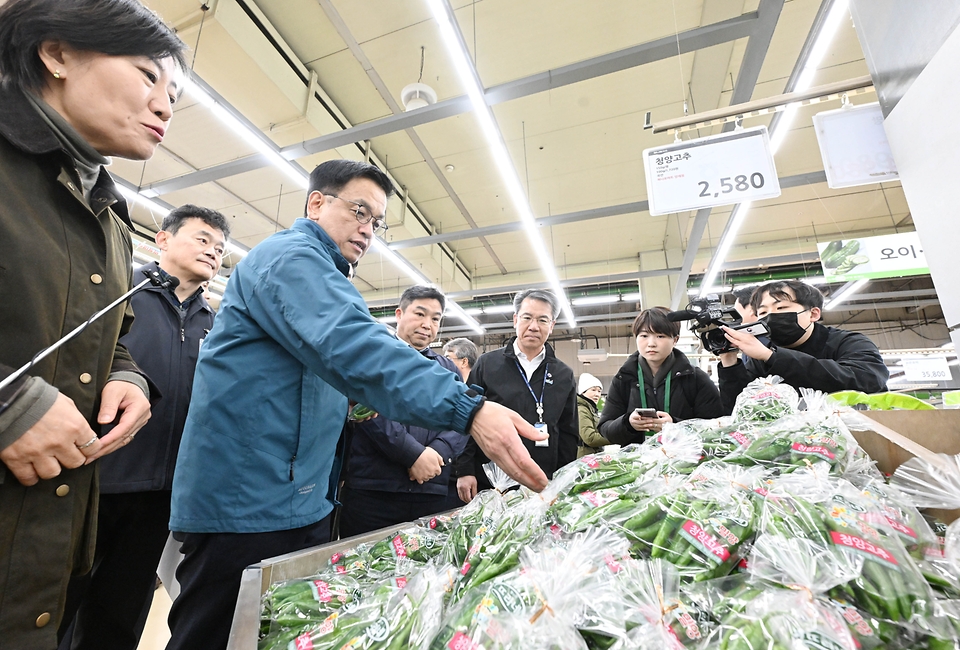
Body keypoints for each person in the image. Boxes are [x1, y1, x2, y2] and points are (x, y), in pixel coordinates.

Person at [166, 159, 547, 650]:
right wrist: (468, 409)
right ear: (317, 203)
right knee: (218, 635)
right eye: (359, 211)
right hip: (247, 500)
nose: (368, 230)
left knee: (273, 635)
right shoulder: (289, 259)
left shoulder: (329, 277)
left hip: (296, 497)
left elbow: (347, 387)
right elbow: (353, 347)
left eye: (377, 222)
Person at [0, 2, 185, 647]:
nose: (165, 105)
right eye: (146, 76)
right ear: (56, 54)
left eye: (174, 93)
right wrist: (10, 405)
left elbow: (110, 327)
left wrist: (127, 377)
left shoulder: (106, 210)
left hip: (45, 546)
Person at [59, 206, 229, 650]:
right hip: (94, 473)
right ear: (163, 239)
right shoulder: (120, 292)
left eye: (220, 248)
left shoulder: (214, 324)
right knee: (59, 603)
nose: (213, 251)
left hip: (162, 491)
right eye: (203, 239)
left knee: (122, 608)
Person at [339, 286, 469, 537]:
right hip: (375, 490)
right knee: (363, 567)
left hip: (430, 490)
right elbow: (367, 411)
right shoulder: (373, 357)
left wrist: (436, 452)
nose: (427, 324)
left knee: (427, 568)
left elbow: (462, 419)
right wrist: (413, 455)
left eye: (435, 318)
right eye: (419, 314)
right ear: (399, 314)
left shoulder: (447, 370)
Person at [455, 289, 579, 503]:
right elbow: (466, 416)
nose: (533, 326)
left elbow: (568, 433)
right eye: (527, 317)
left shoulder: (563, 374)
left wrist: (563, 480)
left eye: (542, 320)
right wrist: (464, 470)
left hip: (541, 481)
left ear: (552, 325)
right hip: (491, 481)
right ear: (515, 320)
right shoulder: (487, 364)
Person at [717, 280, 889, 412]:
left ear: (813, 314)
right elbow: (739, 407)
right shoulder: (760, 355)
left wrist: (773, 357)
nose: (771, 316)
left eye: (781, 307)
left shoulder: (850, 343)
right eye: (763, 313)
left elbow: (867, 380)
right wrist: (729, 360)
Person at [598, 307, 725, 445]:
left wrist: (675, 426)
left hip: (684, 461)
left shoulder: (695, 378)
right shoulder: (624, 378)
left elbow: (716, 427)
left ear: (675, 340)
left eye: (660, 336)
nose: (651, 343)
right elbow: (605, 428)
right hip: (638, 463)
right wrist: (628, 423)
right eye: (644, 336)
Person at [576, 373, 609, 457]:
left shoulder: (590, 409)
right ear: (583, 392)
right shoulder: (581, 409)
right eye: (593, 390)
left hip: (592, 456)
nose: (597, 394)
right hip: (585, 459)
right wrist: (614, 437)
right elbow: (590, 438)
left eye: (599, 391)